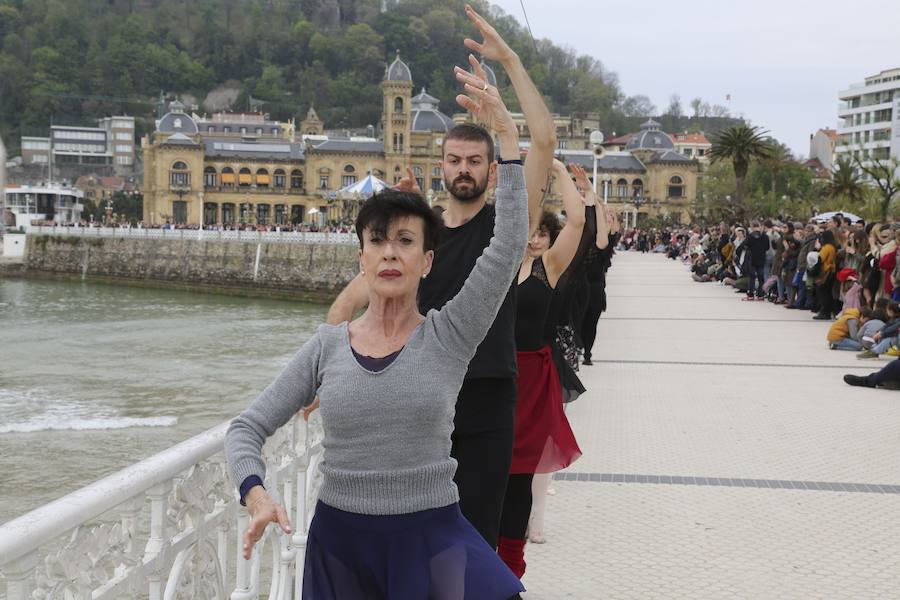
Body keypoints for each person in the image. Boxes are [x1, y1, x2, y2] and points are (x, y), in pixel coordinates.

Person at [225, 68, 528, 598]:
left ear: (426, 261)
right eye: (378, 240)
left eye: (406, 241)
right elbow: (245, 429)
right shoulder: (326, 349)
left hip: (431, 536)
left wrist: (507, 140)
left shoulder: (450, 335)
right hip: (342, 545)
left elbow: (506, 246)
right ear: (361, 257)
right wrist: (255, 493)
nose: (390, 251)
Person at [322, 5, 556, 550]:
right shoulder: (418, 240)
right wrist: (326, 370)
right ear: (441, 165)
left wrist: (512, 67)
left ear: (492, 169)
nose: (463, 170)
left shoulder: (506, 228)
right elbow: (349, 304)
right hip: (420, 401)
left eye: (475, 161)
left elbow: (542, 143)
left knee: (471, 543)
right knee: (414, 538)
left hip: (486, 399)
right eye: (454, 160)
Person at [497, 160, 588, 577]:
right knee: (480, 471)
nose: (532, 238)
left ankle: (510, 568)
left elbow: (577, 221)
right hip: (489, 376)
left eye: (538, 231)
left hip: (531, 380)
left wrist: (554, 167)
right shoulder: (491, 265)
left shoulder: (548, 268)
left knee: (519, 479)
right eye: (527, 229)